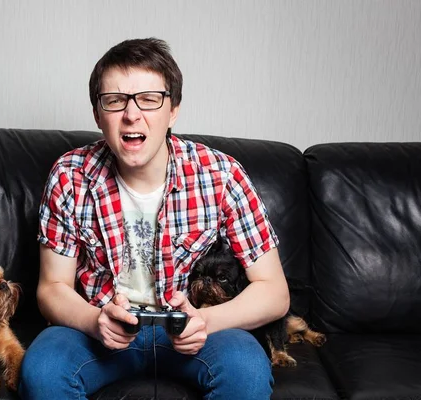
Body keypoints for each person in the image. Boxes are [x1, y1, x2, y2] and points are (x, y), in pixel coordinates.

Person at [19, 37, 289, 399]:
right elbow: (52, 288)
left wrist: (207, 321)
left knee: (248, 369)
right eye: (115, 101)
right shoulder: (69, 175)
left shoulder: (221, 174)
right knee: (43, 369)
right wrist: (94, 323)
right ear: (98, 114)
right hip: (100, 331)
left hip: (195, 331)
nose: (132, 114)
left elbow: (274, 292)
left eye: (149, 99)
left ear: (173, 109)